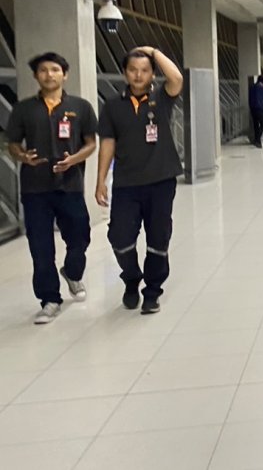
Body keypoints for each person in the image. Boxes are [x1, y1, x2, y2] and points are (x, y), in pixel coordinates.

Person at [7, 52, 97, 325]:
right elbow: (12, 142)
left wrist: (74, 160)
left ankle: (72, 272)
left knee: (80, 236)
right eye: (43, 70)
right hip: (35, 189)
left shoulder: (80, 107)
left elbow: (90, 143)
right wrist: (22, 157)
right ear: (36, 76)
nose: (49, 75)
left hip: (69, 186)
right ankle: (49, 299)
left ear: (65, 74)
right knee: (40, 246)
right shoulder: (23, 109)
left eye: (55, 69)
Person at [96, 46, 184, 315]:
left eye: (144, 71)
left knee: (159, 238)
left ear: (152, 74)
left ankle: (152, 291)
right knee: (119, 237)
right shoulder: (112, 105)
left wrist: (154, 52)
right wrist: (100, 180)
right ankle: (132, 278)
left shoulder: (161, 97)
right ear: (124, 73)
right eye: (133, 70)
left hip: (161, 180)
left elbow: (177, 78)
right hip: (126, 183)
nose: (138, 75)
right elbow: (107, 143)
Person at [249, 74, 263, 148]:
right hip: (260, 108)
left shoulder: (252, 87)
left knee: (256, 125)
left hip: (253, 108)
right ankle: (257, 140)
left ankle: (256, 140)